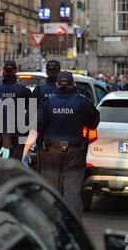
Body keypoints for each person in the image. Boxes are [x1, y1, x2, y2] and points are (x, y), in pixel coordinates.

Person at [22, 72, 100, 217]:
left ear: (57, 84)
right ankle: (72, 227)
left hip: (50, 153)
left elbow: (36, 128)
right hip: (75, 153)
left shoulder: (46, 102)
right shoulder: (82, 101)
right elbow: (94, 121)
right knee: (72, 194)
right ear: (72, 84)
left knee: (51, 193)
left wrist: (25, 151)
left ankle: (52, 226)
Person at [0, 61, 32, 159]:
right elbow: (32, 110)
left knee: (0, 161)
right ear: (16, 71)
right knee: (16, 161)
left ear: (3, 71)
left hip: (0, 132)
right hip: (18, 131)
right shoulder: (23, 90)